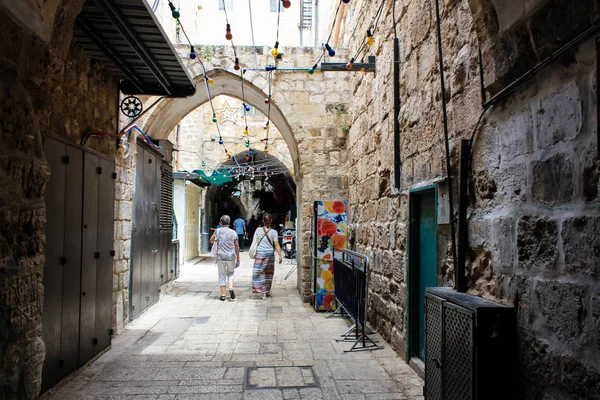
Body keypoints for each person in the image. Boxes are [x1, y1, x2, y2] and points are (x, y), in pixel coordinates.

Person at [250, 213, 282, 300]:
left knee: (259, 272)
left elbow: (254, 241)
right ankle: (266, 291)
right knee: (268, 273)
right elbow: (276, 244)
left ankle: (262, 291)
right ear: (271, 221)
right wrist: (280, 255)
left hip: (260, 253)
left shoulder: (258, 230)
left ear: (263, 221)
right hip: (270, 254)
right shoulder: (274, 232)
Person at [210, 215, 240, 301]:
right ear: (229, 223)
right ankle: (230, 288)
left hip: (221, 256)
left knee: (222, 274)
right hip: (231, 256)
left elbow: (211, 240)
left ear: (220, 223)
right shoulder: (233, 233)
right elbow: (236, 246)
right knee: (231, 273)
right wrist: (238, 257)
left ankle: (223, 295)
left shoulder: (218, 231)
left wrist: (216, 234)